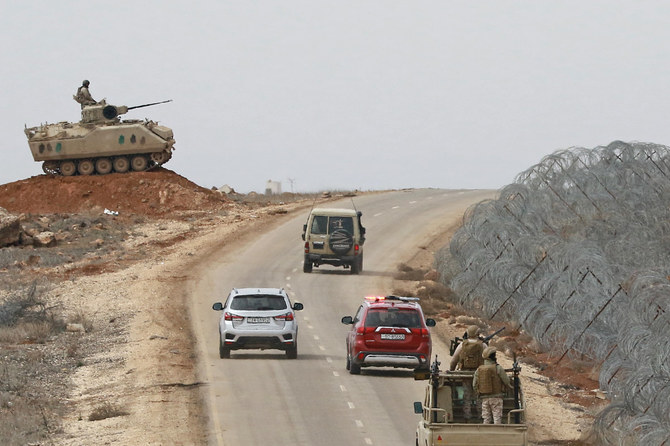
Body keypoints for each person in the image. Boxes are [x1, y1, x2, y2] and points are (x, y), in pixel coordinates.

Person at [449, 325, 485, 420]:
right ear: (477, 333)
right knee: (479, 395)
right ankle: (481, 416)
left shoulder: (462, 345)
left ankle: (467, 416)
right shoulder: (483, 345)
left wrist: (451, 371)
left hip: (465, 373)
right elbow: (490, 360)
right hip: (479, 374)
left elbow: (454, 360)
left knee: (467, 395)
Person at [473, 347, 513, 424]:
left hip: (484, 398)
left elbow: (474, 385)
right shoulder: (498, 368)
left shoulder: (479, 370)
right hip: (496, 397)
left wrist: (479, 392)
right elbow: (507, 381)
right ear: (493, 356)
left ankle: (486, 435)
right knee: (497, 419)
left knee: (486, 419)